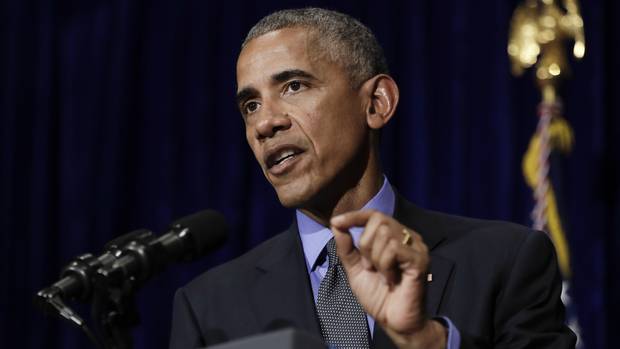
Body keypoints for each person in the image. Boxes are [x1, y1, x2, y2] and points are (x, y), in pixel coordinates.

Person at [169, 8, 576, 349]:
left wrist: (427, 341)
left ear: (377, 103)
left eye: (294, 86)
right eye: (251, 105)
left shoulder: (505, 261)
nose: (265, 123)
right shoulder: (209, 307)